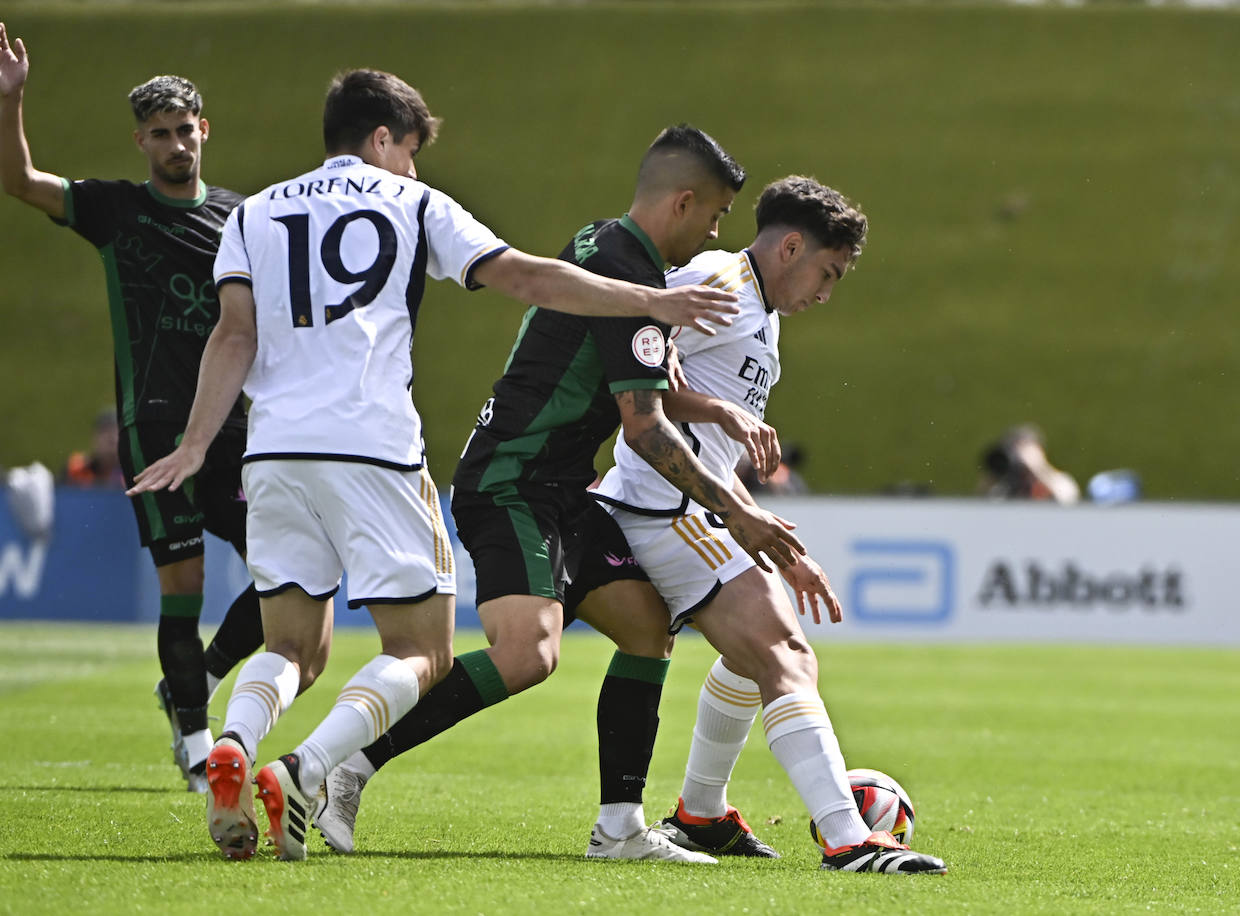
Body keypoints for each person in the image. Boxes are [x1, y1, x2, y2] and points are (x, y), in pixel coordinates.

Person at [128, 74, 741, 862]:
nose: (415, 169)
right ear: (383, 139)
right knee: (423, 651)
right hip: (371, 447)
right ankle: (307, 770)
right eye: (412, 152)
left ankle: (235, 747)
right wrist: (646, 302)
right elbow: (525, 276)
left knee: (288, 648)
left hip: (273, 451)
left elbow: (232, 339)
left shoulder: (252, 211)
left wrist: (194, 444)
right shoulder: (412, 203)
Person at [312, 124, 801, 864]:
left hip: (563, 487)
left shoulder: (604, 247)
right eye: (717, 215)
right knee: (527, 654)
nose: (716, 231)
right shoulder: (632, 281)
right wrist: (739, 514)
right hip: (510, 479)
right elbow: (645, 431)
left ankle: (620, 830)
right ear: (685, 200)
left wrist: (719, 408)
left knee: (647, 630)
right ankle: (346, 769)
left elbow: (650, 380)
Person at [596, 176, 947, 875]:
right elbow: (631, 369)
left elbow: (684, 401)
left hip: (700, 504)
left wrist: (758, 524)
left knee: (754, 655)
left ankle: (700, 813)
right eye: (828, 272)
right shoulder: (717, 281)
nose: (826, 291)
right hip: (663, 505)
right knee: (784, 653)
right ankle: (849, 839)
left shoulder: (760, 306)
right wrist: (723, 436)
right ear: (791, 246)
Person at [0, 23, 265, 792]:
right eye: (161, 134)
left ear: (204, 130)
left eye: (186, 130)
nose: (177, 144)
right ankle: (193, 736)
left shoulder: (242, 218)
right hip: (155, 426)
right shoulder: (113, 211)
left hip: (236, 427)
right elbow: (20, 181)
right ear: (140, 142)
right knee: (181, 586)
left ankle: (201, 677)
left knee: (293, 570)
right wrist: (11, 103)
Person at [978, 423, 1080, 503]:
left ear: (1040, 450)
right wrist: (995, 473)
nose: (1017, 456)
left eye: (1022, 447)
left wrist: (1037, 467)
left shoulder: (1059, 480)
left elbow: (1067, 499)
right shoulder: (1003, 486)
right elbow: (982, 505)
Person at [62, 407, 123, 488]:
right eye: (105, 432)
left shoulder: (133, 472)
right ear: (94, 438)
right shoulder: (76, 470)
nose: (111, 439)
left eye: (116, 432)